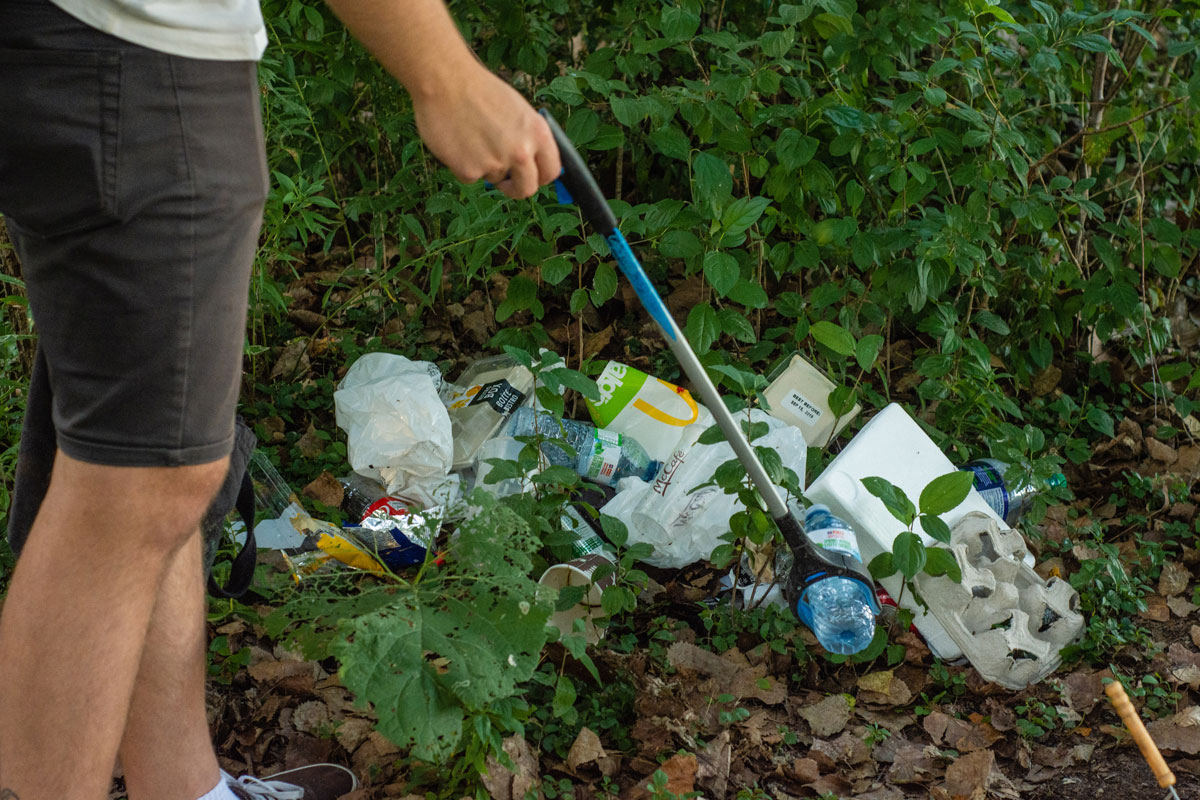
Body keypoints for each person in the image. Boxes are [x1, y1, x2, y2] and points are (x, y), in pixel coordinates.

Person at [0, 0, 562, 798]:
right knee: (138, 488)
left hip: (97, 47)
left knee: (148, 452)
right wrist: (446, 76)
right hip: (137, 55)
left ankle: (184, 789)